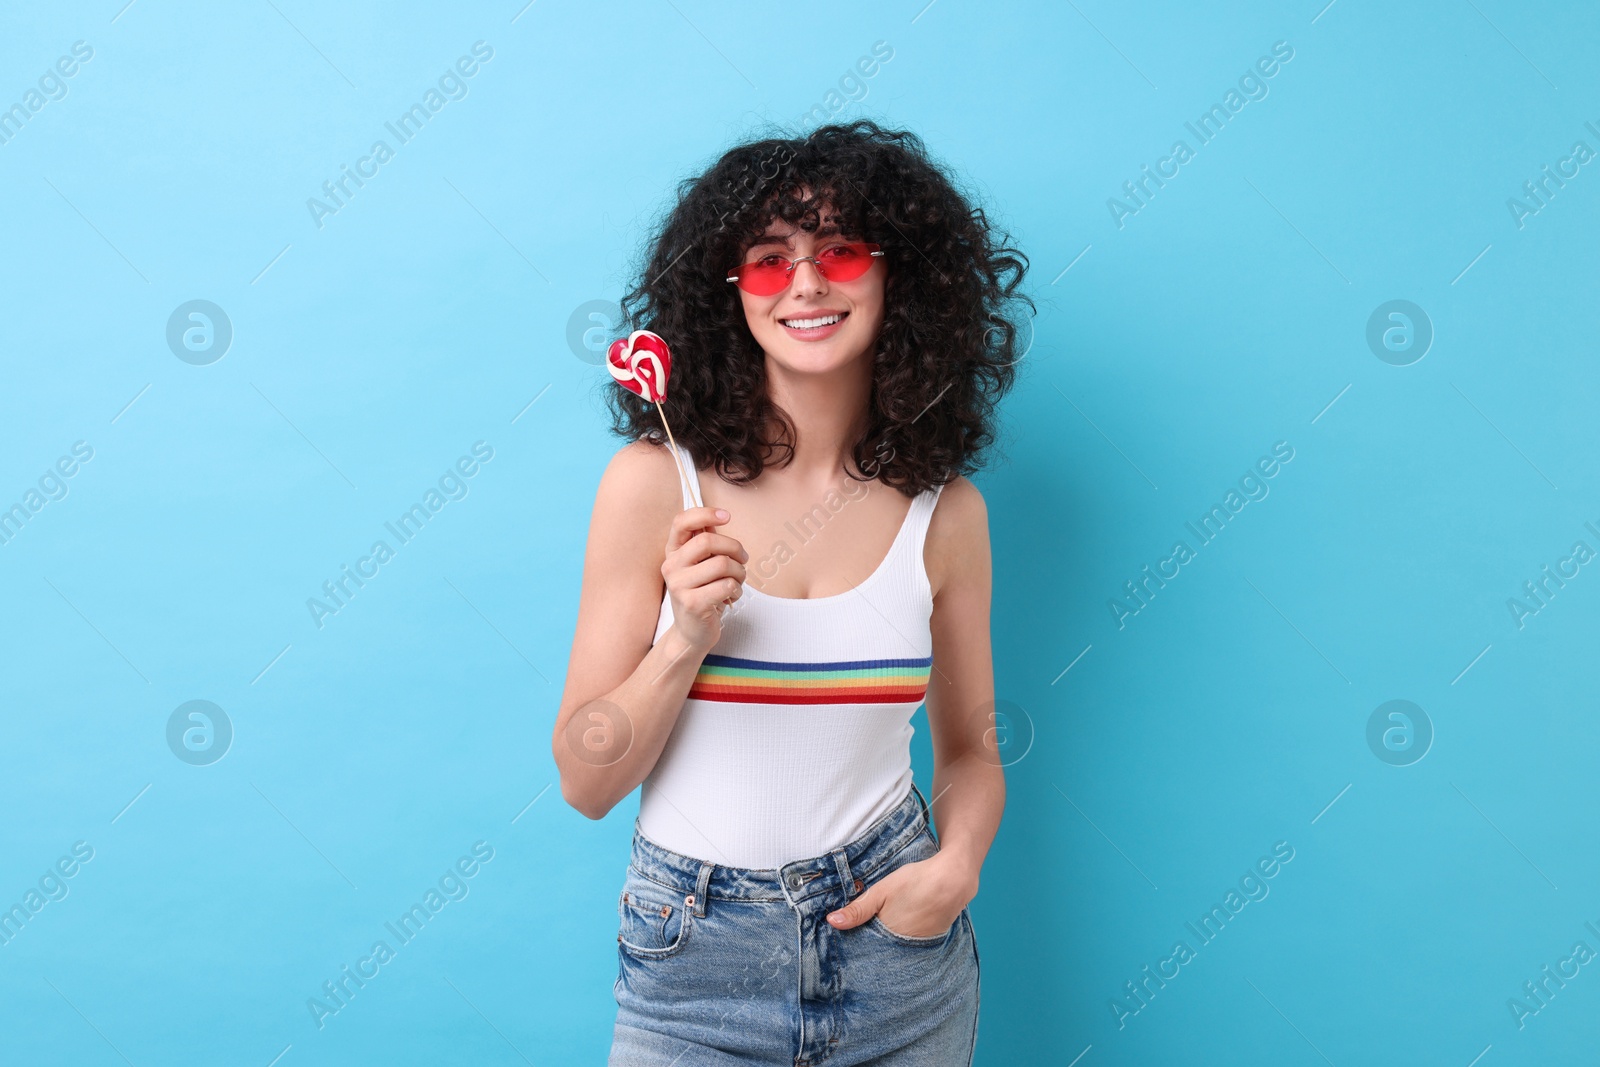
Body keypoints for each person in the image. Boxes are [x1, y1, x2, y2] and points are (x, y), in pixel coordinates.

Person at [554, 120, 1030, 1066]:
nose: (807, 284)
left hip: (898, 952)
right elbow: (585, 779)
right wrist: (683, 635)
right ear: (727, 294)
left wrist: (957, 868)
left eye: (841, 252)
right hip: (694, 957)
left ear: (901, 278)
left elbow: (973, 748)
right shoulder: (655, 488)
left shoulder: (947, 513)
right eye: (770, 262)